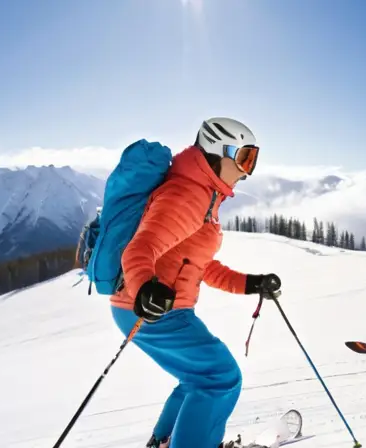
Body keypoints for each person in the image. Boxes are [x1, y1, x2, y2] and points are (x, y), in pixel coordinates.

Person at [109, 117, 282, 448]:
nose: (248, 170)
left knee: (196, 378)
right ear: (220, 153)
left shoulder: (203, 193)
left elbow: (201, 265)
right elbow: (140, 249)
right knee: (220, 377)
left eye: (253, 160)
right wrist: (145, 287)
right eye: (245, 158)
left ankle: (165, 441)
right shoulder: (188, 193)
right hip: (151, 309)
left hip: (154, 307)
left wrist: (252, 283)